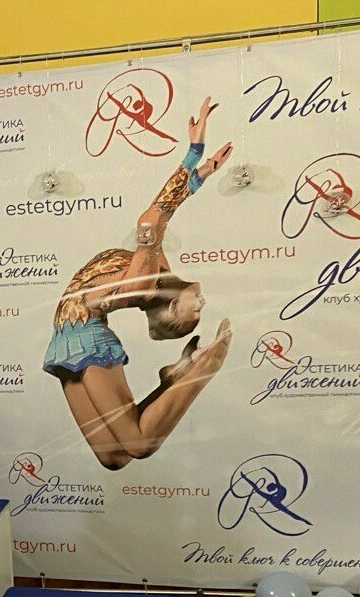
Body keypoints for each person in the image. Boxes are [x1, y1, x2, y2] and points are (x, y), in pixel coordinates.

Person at [43, 97, 233, 471]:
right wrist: (196, 170)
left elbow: (152, 217)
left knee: (138, 445)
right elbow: (160, 214)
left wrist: (193, 156)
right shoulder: (155, 268)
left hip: (86, 338)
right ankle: (172, 378)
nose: (202, 303)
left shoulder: (142, 281)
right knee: (113, 457)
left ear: (171, 305)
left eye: (193, 311)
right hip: (65, 336)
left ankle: (199, 371)